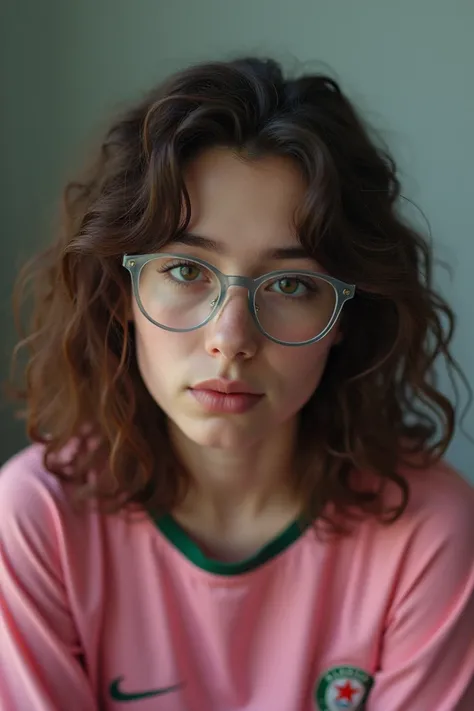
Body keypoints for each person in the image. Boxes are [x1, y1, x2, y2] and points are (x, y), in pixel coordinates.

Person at [0, 56, 473, 711]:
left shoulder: (429, 530)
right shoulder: (39, 520)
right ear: (122, 294)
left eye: (291, 284)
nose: (231, 338)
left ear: (343, 319)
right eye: (188, 270)